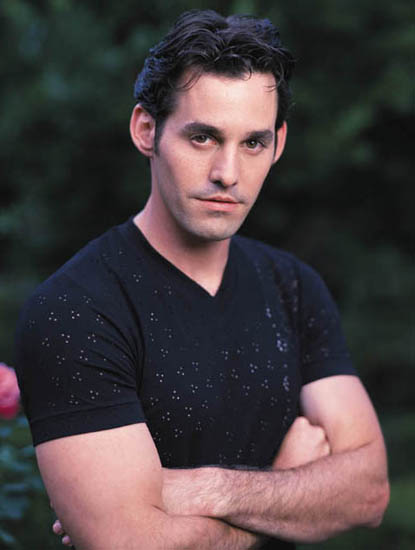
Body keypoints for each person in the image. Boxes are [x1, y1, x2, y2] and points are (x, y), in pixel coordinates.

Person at [14, 9, 389, 550]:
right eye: (203, 137)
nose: (227, 174)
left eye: (253, 143)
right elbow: (131, 544)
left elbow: (369, 491)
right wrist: (287, 485)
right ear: (147, 130)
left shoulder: (293, 287)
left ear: (279, 144)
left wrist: (197, 491)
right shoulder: (75, 310)